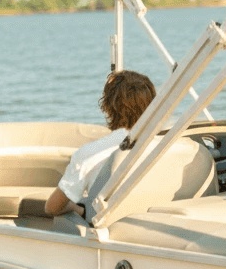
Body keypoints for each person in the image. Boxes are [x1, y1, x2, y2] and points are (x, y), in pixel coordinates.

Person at [44, 70, 156, 218]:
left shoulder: (90, 153)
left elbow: (52, 208)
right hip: (149, 217)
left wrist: (76, 208)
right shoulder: (162, 146)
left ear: (109, 106)